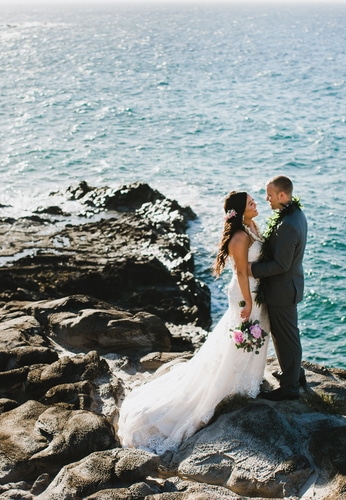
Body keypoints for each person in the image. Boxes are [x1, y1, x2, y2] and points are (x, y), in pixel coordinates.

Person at [117, 191, 270, 454]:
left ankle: (247, 380)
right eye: (250, 203)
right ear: (240, 210)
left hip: (256, 291)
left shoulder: (251, 227)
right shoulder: (239, 237)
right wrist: (247, 301)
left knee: (251, 338)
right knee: (241, 338)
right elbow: (241, 271)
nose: (255, 203)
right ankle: (230, 386)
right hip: (247, 294)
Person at [251, 175, 308, 401]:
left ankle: (290, 388)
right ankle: (294, 375)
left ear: (282, 195)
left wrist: (252, 269)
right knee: (286, 336)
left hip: (283, 290)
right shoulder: (296, 215)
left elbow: (281, 265)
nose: (267, 199)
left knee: (286, 339)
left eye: (270, 195)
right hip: (289, 287)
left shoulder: (287, 225)